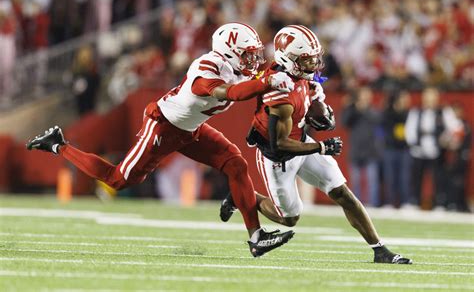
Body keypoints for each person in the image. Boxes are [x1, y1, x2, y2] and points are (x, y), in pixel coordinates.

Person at [26, 22, 295, 257]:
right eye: (247, 55)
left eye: (254, 54)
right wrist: (267, 83)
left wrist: (290, 68)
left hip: (192, 128)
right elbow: (232, 93)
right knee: (118, 179)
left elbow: (260, 76)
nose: (253, 61)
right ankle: (58, 144)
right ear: (229, 52)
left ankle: (256, 238)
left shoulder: (239, 68)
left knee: (236, 164)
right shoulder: (206, 68)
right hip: (164, 127)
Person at [220, 25, 412, 264]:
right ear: (289, 59)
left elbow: (310, 93)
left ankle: (380, 249)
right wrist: (320, 147)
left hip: (300, 141)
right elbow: (280, 143)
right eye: (307, 60)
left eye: (314, 58)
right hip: (277, 156)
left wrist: (318, 105)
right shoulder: (279, 95)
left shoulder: (297, 75)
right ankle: (243, 196)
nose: (314, 64)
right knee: (289, 218)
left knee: (342, 192)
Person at [405, 88, 462, 209]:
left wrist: (447, 139)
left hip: (436, 150)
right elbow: (409, 129)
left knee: (438, 178)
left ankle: (439, 203)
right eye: (427, 98)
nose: (429, 101)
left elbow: (456, 127)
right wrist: (414, 143)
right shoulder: (416, 112)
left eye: (432, 98)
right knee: (416, 178)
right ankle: (414, 201)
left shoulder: (444, 111)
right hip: (419, 150)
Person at [341, 87, 381, 207]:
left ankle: (373, 205)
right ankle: (356, 205)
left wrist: (362, 109)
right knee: (356, 182)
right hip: (356, 151)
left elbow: (377, 120)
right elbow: (344, 122)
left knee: (372, 181)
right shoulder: (353, 111)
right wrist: (350, 108)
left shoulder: (373, 111)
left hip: (370, 151)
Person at [381, 90, 411, 207]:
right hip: (390, 149)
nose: (406, 101)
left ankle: (405, 202)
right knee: (390, 177)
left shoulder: (409, 113)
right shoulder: (387, 113)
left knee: (404, 178)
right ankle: (389, 202)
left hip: (404, 149)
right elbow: (381, 130)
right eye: (404, 98)